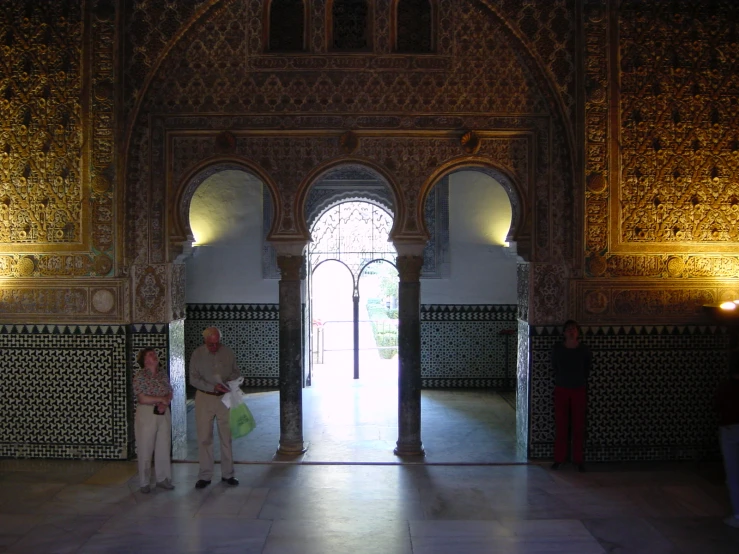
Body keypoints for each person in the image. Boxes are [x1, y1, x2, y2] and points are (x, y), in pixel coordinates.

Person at [190, 326, 241, 489]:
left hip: (224, 399)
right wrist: (212, 387)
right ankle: (205, 476)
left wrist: (229, 383)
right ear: (205, 341)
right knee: (205, 437)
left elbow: (235, 372)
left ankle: (228, 474)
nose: (214, 347)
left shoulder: (227, 352)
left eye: (217, 343)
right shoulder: (197, 355)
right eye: (211, 344)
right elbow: (193, 379)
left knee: (226, 437)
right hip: (204, 399)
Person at [550, 319, 592, 472]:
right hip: (562, 388)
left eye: (574, 329)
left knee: (578, 425)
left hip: (578, 388)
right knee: (561, 425)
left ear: (578, 332)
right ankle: (559, 458)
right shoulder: (558, 350)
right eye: (568, 329)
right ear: (564, 333)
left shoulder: (584, 350)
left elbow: (587, 368)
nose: (571, 331)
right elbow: (554, 366)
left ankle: (578, 459)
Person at [133, 348, 174, 493]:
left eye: (154, 354)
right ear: (144, 360)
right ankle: (144, 482)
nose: (154, 356)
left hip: (163, 412)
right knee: (145, 446)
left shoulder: (162, 374)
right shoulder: (140, 376)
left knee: (163, 445)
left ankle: (162, 478)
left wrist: (165, 403)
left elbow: (170, 391)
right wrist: (160, 399)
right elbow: (142, 398)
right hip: (147, 413)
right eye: (150, 355)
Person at [716, 348, 739, 528]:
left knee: (733, 473)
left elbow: (719, 407)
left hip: (731, 430)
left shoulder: (727, 388)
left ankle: (738, 515)